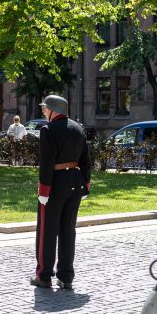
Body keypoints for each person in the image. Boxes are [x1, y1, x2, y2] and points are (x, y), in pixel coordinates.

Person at [31, 94, 90, 291]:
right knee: (68, 231)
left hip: (55, 185)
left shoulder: (48, 130)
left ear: (53, 110)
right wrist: (86, 185)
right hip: (75, 184)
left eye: (45, 108)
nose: (43, 111)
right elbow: (86, 160)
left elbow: (46, 164)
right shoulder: (78, 128)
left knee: (47, 232)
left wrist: (43, 190)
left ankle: (44, 275)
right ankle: (66, 277)